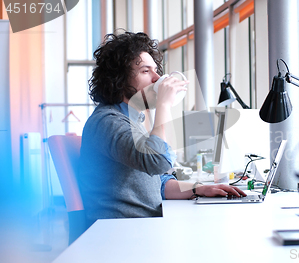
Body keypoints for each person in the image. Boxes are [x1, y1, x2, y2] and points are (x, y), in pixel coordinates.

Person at [79, 31, 245, 225]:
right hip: (122, 230)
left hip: (140, 225)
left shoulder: (132, 121)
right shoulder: (107, 122)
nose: (157, 78)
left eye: (156, 70)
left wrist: (198, 188)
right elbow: (157, 162)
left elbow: (160, 181)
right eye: (145, 71)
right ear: (120, 79)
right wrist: (164, 105)